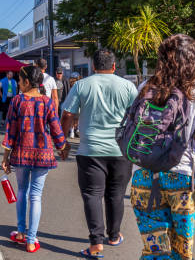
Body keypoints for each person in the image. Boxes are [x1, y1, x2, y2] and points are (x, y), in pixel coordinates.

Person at [129, 34, 195, 260]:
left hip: (144, 175)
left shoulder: (145, 87)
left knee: (154, 249)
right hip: (183, 178)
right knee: (181, 251)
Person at [61, 49, 137, 259]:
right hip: (121, 150)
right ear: (114, 66)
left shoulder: (82, 85)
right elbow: (137, 116)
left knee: (92, 195)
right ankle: (113, 236)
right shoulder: (128, 86)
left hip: (90, 150)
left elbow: (68, 114)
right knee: (116, 194)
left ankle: (96, 244)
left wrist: (62, 141)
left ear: (93, 66)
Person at [1, 65, 69, 253]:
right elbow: (56, 129)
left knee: (22, 191)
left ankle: (21, 232)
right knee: (36, 195)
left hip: (22, 152)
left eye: (20, 79)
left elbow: (10, 131)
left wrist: (6, 157)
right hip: (43, 154)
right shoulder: (47, 102)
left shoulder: (17, 101)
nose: (18, 82)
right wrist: (62, 147)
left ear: (27, 82)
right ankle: (31, 240)